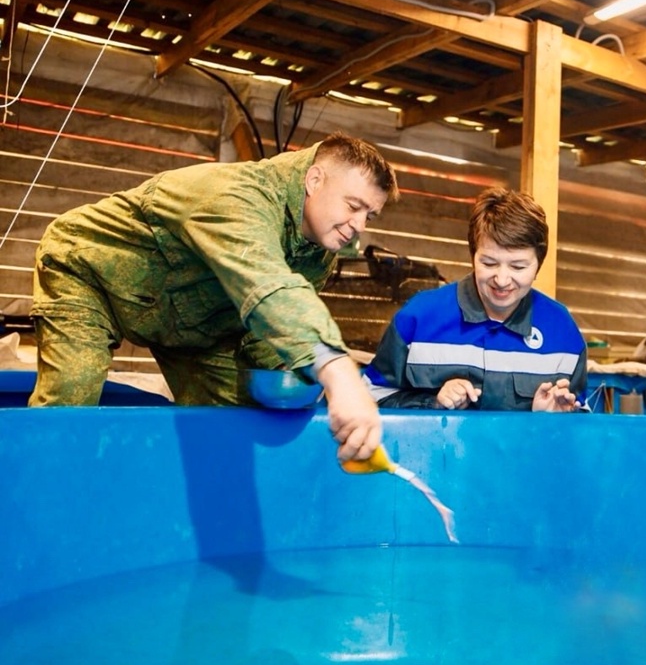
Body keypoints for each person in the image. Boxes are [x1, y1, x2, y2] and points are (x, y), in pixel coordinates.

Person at [29, 131, 397, 462]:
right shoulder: (237, 195)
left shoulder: (318, 254)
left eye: (371, 215)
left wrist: (293, 370)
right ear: (315, 179)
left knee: (236, 427)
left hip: (197, 323)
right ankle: (32, 510)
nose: (359, 227)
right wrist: (337, 371)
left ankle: (198, 527)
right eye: (353, 206)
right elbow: (266, 285)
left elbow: (266, 328)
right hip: (92, 277)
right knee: (69, 406)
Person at [363, 188, 587, 411]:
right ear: (472, 256)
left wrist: (554, 418)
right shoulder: (419, 317)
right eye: (489, 263)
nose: (501, 279)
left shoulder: (562, 330)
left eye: (518, 266)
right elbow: (370, 397)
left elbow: (584, 423)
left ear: (539, 264)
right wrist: (433, 402)